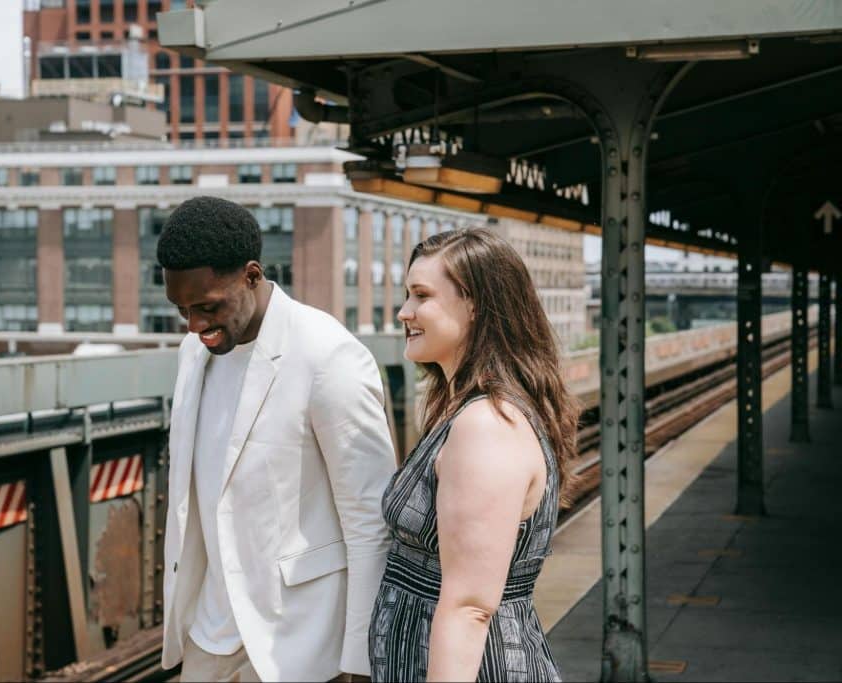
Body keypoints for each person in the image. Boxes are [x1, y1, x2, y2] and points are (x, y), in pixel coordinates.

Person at [157, 196, 396, 682]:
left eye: (206, 307)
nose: (194, 325)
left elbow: (371, 519)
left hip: (300, 643)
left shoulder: (328, 355)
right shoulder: (192, 355)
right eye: (181, 310)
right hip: (210, 635)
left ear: (251, 275)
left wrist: (362, 659)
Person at [368, 228, 578, 682]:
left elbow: (470, 608)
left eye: (421, 296)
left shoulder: (485, 426)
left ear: (475, 304)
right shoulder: (464, 409)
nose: (405, 312)